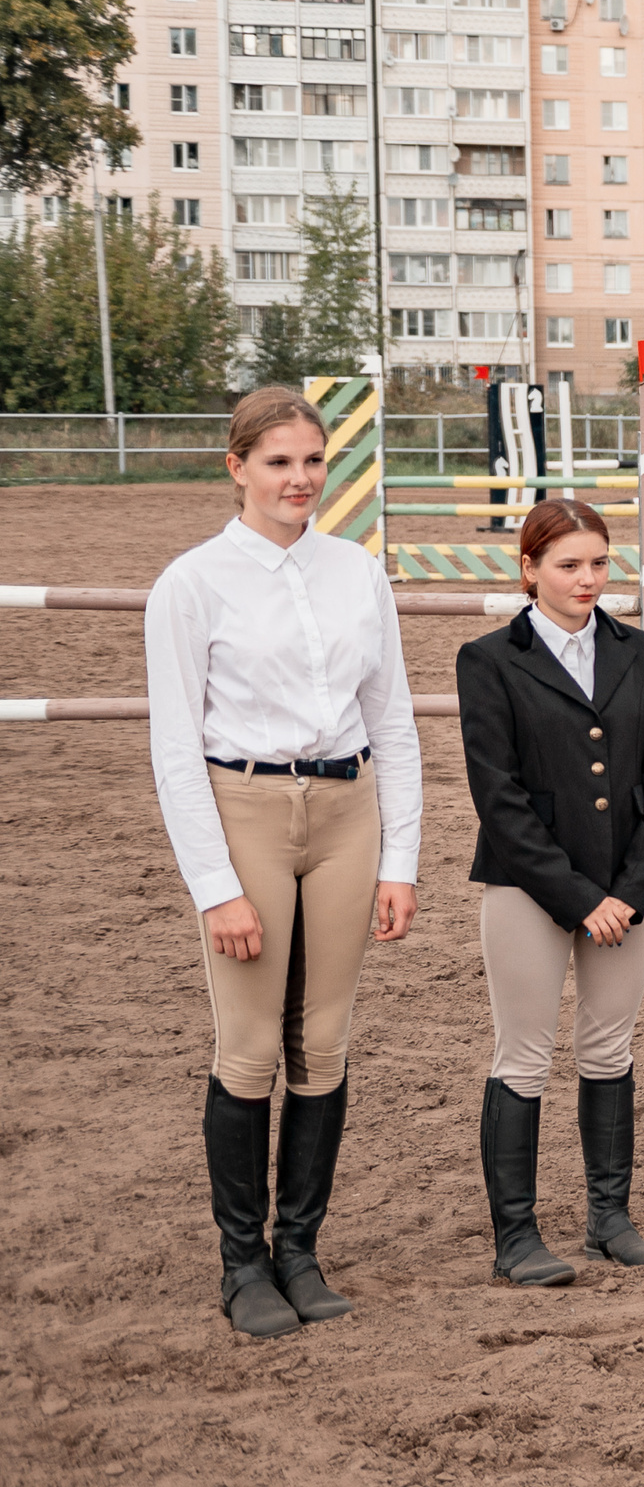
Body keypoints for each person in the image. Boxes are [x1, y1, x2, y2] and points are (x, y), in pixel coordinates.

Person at [144, 387, 424, 1338]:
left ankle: (300, 1249)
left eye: (312, 461)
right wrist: (215, 886)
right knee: (252, 1044)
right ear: (237, 468)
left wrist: (402, 856)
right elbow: (176, 747)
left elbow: (391, 717)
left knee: (328, 1041)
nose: (300, 479)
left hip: (348, 810)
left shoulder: (359, 573)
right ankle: (242, 1261)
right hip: (247, 809)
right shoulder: (191, 584)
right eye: (278, 462)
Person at [456, 499, 644, 1284]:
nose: (588, 579)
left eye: (598, 563)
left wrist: (629, 889)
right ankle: (516, 1235)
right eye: (568, 565)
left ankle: (608, 1217)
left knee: (609, 1047)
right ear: (528, 569)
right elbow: (500, 796)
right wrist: (578, 897)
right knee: (523, 1054)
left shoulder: (641, 651)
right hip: (528, 887)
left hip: (626, 891)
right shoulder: (487, 660)